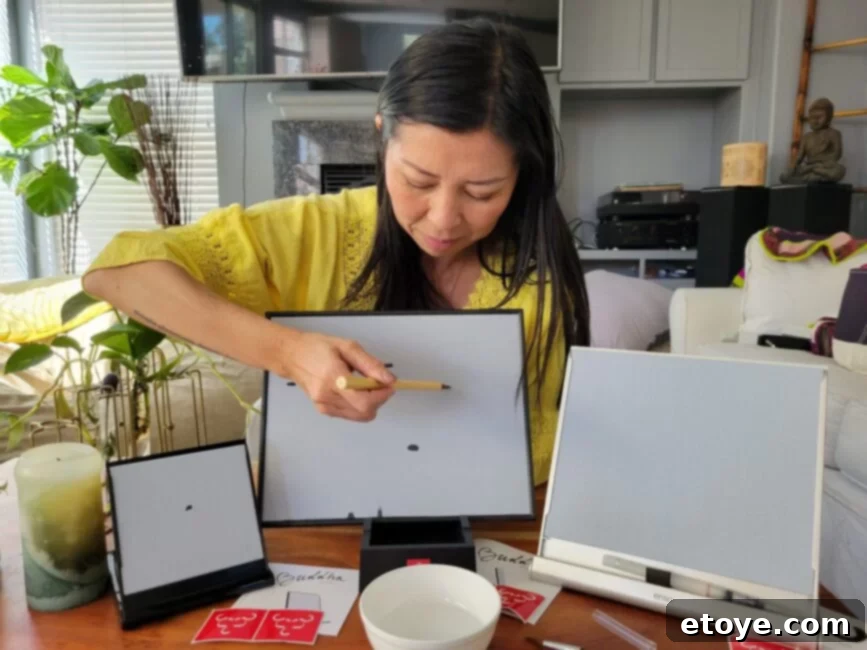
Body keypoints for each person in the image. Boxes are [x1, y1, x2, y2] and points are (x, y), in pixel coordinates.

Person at [82, 18, 590, 486]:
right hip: (334, 529)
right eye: (418, 180)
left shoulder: (540, 269)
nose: (442, 220)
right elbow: (118, 272)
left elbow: (541, 458)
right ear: (381, 138)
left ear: (524, 175)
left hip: (499, 528)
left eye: (481, 193)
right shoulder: (320, 231)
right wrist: (288, 352)